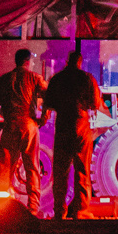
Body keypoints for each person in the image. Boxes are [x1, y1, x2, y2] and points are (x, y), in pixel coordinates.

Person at [43, 48, 104, 219]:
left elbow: (49, 102)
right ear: (80, 62)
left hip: (62, 123)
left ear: (66, 61)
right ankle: (80, 210)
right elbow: (94, 103)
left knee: (60, 170)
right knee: (82, 168)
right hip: (81, 123)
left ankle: (59, 211)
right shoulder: (87, 78)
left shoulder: (57, 79)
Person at [0, 47, 47, 214]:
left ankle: (0, 207)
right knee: (32, 166)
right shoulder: (35, 78)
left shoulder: (4, 79)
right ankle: (33, 207)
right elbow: (50, 95)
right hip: (29, 125)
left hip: (10, 125)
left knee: (4, 167)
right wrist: (44, 116)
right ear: (28, 62)